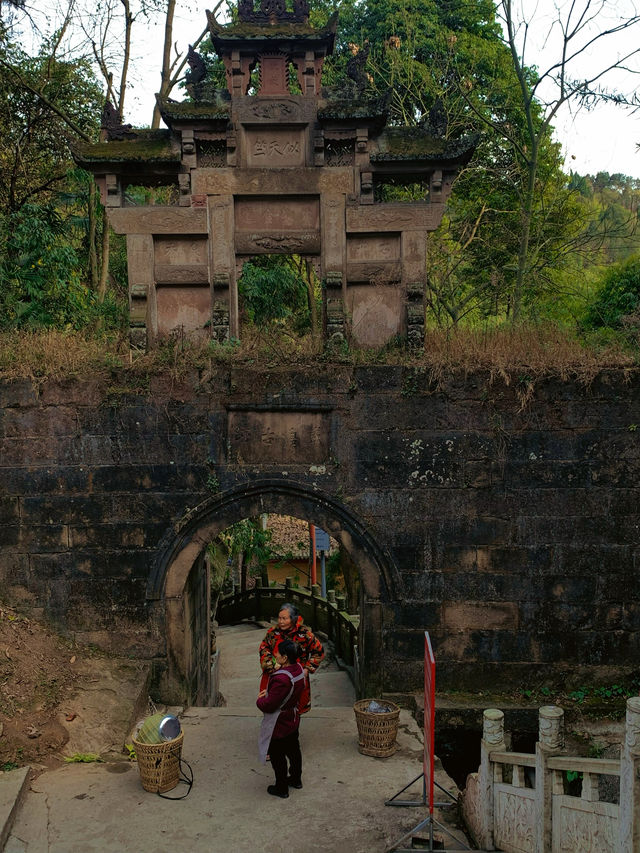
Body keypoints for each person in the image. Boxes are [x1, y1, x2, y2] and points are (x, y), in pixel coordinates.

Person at [256, 639, 305, 798]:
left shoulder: (282, 679)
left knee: (278, 756)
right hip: (293, 717)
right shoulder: (298, 668)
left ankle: (281, 787)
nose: (275, 654)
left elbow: (269, 705)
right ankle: (296, 779)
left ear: (284, 658)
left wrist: (260, 699)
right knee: (294, 750)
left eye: (278, 653)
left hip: (279, 722)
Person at [259, 602, 324, 714]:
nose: (281, 621)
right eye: (279, 618)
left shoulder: (305, 634)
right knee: (273, 706)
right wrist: (271, 665)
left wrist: (307, 669)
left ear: (293, 619)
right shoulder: (273, 632)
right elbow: (264, 648)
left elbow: (318, 651)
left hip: (296, 675)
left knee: (295, 708)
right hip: (275, 675)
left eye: (284, 618)